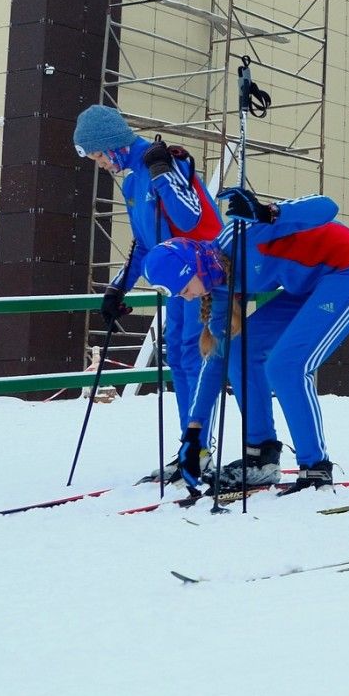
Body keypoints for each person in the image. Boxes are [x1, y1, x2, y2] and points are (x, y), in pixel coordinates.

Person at [148, 190, 349, 490]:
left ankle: (315, 467)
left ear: (191, 267)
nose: (185, 297)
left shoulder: (241, 234)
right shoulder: (218, 288)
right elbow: (215, 357)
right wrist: (193, 434)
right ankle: (261, 456)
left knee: (287, 367)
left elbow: (327, 206)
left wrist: (267, 212)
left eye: (182, 288)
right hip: (305, 288)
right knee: (238, 353)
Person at [72, 104, 221, 480]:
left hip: (202, 272)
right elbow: (142, 243)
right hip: (176, 281)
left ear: (113, 144)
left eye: (98, 155)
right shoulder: (132, 181)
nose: (100, 164)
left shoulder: (167, 161)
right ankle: (191, 446)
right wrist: (118, 287)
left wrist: (162, 175)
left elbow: (190, 219)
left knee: (191, 357)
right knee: (179, 359)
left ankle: (199, 449)